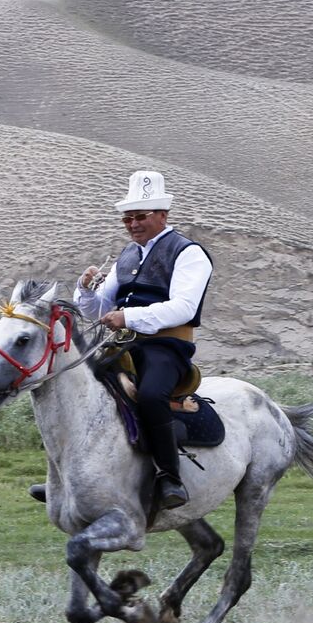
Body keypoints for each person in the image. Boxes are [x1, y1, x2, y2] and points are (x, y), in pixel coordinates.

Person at [57, 170, 213, 510]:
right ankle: (73, 476)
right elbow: (98, 308)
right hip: (124, 344)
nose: (132, 224)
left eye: (140, 216)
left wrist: (128, 317)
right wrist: (83, 289)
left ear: (162, 215)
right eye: (128, 218)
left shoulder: (188, 253)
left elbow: (183, 308)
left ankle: (169, 476)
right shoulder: (126, 256)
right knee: (75, 390)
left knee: (151, 395)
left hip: (166, 345)